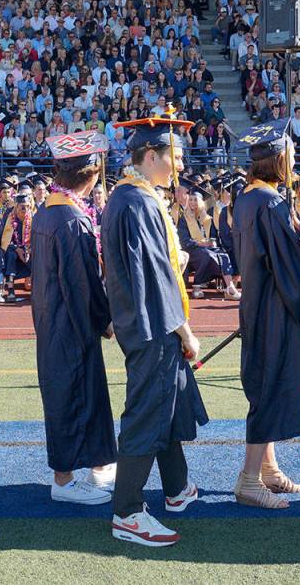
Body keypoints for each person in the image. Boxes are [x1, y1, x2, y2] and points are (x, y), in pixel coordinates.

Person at [102, 118, 208, 547]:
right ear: (151, 156)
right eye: (175, 156)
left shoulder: (130, 196)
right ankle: (127, 511)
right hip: (153, 327)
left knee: (168, 405)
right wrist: (185, 331)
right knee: (148, 413)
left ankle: (177, 488)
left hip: (144, 322)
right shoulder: (138, 202)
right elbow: (154, 277)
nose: (179, 165)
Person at [231, 119, 300, 509]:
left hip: (255, 304)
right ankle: (249, 479)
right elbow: (287, 266)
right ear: (278, 160)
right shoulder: (271, 203)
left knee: (264, 383)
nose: (295, 158)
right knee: (268, 389)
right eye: (291, 153)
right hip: (274, 308)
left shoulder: (247, 197)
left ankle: (268, 469)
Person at [31, 130, 117, 506]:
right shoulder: (71, 220)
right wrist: (105, 320)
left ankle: (94, 464)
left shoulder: (48, 211)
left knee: (67, 395)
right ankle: (64, 481)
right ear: (93, 174)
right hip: (71, 324)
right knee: (73, 396)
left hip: (52, 320)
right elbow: (83, 284)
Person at [177, 183, 241, 299]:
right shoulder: (184, 219)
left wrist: (212, 242)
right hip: (191, 250)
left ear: (201, 202)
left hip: (208, 248)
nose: (192, 202)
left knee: (223, 254)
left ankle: (230, 289)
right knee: (207, 255)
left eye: (195, 200)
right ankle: (197, 286)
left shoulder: (207, 219)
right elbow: (183, 240)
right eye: (190, 199)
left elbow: (214, 236)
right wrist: (199, 243)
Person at [0, 193, 32, 302]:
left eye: (27, 206)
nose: (24, 209)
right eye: (21, 206)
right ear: (16, 206)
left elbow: (36, 237)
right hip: (12, 248)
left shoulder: (32, 218)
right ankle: (11, 290)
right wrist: (17, 249)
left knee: (36, 257)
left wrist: (28, 249)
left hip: (28, 248)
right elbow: (4, 239)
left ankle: (37, 290)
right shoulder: (8, 217)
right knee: (11, 256)